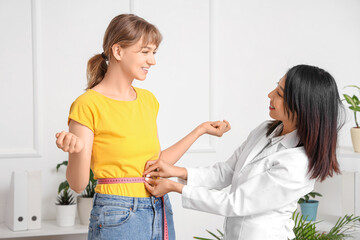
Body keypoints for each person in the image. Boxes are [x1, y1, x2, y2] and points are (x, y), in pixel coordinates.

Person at [55, 13, 230, 240]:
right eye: (145, 52)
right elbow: (78, 185)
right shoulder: (88, 104)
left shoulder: (148, 100)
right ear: (118, 51)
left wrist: (200, 130)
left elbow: (156, 165)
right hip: (117, 213)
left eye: (154, 53)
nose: (152, 61)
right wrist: (76, 151)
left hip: (159, 206)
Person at [143, 64, 343, 240]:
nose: (270, 95)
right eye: (276, 86)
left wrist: (173, 187)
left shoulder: (298, 163)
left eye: (280, 94)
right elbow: (226, 172)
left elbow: (235, 203)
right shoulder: (265, 130)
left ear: (303, 108)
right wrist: (175, 171)